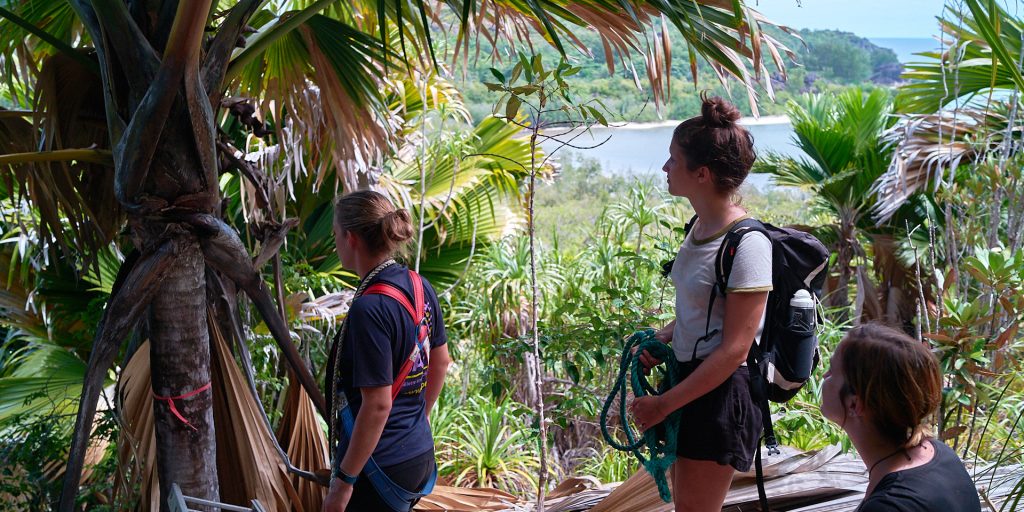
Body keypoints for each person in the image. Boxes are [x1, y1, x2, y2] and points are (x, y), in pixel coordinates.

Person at [630, 93, 771, 512]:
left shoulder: (748, 245)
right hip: (692, 384)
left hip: (720, 396)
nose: (665, 167)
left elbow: (733, 350)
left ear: (703, 174)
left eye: (673, 159)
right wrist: (663, 339)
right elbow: (702, 307)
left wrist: (662, 406)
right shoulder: (700, 227)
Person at [323, 190, 452, 512]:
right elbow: (441, 362)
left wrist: (342, 485)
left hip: (379, 463)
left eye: (336, 234)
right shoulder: (418, 285)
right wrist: (415, 420)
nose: (335, 242)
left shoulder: (370, 308)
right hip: (416, 452)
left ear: (350, 237)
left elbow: (378, 404)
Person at [821, 323, 981, 511]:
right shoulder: (940, 453)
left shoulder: (888, 505)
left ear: (855, 404)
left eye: (832, 371)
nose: (824, 375)